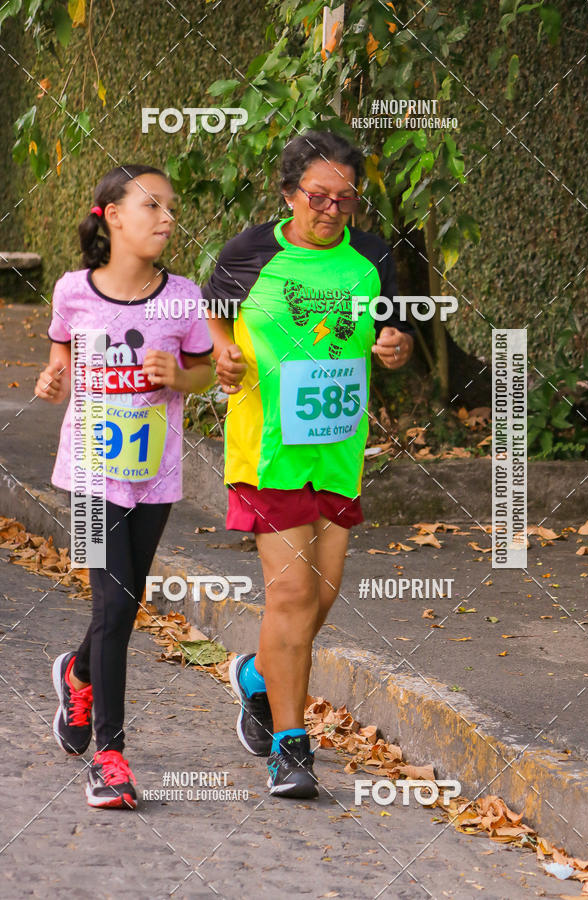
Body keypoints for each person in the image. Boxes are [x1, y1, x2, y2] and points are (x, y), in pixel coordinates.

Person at [203, 130, 414, 799]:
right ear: (288, 193)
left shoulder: (373, 257)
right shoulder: (249, 253)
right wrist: (221, 355)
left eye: (344, 198)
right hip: (267, 450)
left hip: (337, 448)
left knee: (318, 599)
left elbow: (396, 330)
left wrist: (395, 345)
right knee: (291, 597)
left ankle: (257, 679)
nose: (329, 209)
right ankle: (292, 747)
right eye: (316, 196)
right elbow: (210, 315)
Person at [35, 164, 214, 808]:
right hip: (86, 471)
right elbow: (61, 360)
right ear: (111, 214)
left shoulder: (184, 297)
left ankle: (78, 672)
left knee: (126, 606)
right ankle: (110, 756)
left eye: (170, 208)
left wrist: (179, 374)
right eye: (152, 206)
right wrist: (53, 380)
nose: (167, 218)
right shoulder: (72, 290)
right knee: (111, 608)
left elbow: (205, 375)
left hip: (155, 474)